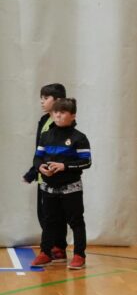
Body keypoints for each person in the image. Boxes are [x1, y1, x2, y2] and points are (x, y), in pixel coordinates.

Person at [31, 98, 90, 270]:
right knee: (49, 221)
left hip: (71, 189)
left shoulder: (79, 138)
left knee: (76, 222)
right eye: (56, 111)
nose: (58, 115)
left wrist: (64, 166)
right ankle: (45, 252)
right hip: (49, 188)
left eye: (63, 112)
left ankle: (79, 255)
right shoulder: (46, 135)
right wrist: (40, 167)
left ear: (72, 116)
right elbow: (37, 157)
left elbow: (86, 162)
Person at [24, 83, 68, 265]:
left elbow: (58, 151)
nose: (42, 102)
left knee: (58, 214)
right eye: (41, 98)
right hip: (43, 175)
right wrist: (34, 170)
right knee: (44, 214)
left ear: (57, 100)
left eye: (46, 98)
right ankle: (51, 247)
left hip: (57, 178)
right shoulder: (44, 121)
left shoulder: (63, 123)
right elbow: (39, 150)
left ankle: (58, 247)